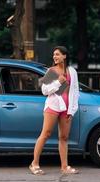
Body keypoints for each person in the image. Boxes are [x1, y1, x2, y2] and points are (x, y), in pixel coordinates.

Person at [29, 46, 80, 175]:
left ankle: (64, 167)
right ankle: (34, 164)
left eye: (57, 54)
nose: (54, 57)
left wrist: (72, 111)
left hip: (66, 108)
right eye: (54, 55)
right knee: (45, 134)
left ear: (64, 56)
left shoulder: (72, 71)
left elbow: (75, 91)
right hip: (53, 106)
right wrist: (58, 82)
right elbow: (44, 91)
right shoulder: (51, 71)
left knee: (64, 137)